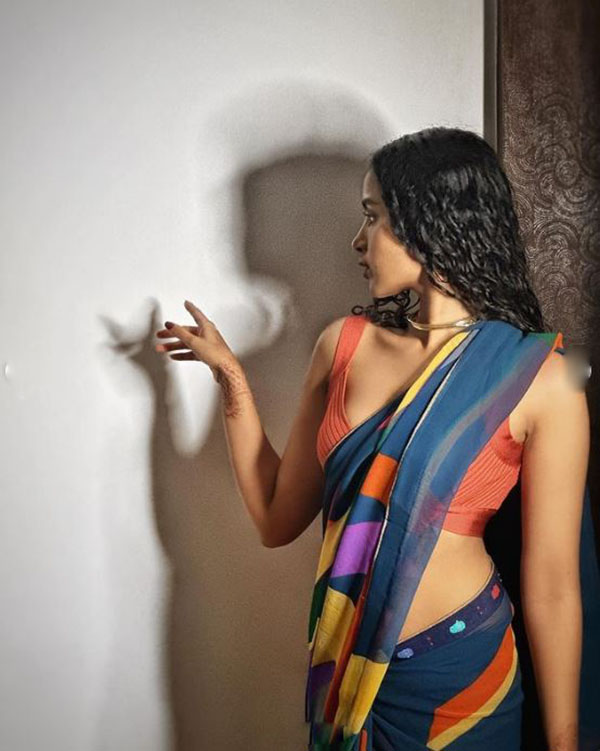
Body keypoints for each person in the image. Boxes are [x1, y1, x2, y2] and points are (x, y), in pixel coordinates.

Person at [155, 127, 600, 751]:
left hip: (463, 679)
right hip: (343, 671)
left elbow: (553, 584)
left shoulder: (539, 379)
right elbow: (276, 519)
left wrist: (564, 742)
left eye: (372, 216)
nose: (357, 241)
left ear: (427, 222)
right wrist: (229, 377)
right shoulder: (343, 346)